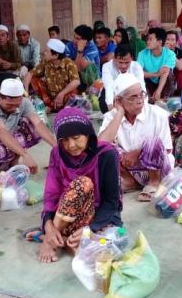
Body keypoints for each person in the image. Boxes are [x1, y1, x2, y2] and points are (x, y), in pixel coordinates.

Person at [34, 107, 123, 263]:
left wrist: (89, 229)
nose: (71, 145)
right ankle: (52, 239)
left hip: (98, 217)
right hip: (65, 217)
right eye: (64, 140)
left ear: (88, 134)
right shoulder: (57, 153)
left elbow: (111, 202)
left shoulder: (106, 154)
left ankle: (61, 239)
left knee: (110, 246)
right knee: (82, 184)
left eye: (76, 137)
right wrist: (48, 225)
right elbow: (51, 195)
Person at [0, 78, 56, 187]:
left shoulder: (24, 103)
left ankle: (12, 165)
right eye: (9, 105)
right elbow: (1, 131)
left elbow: (38, 124)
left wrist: (57, 148)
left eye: (17, 105)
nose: (13, 108)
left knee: (31, 122)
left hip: (7, 147)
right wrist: (25, 154)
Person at [99, 73, 174, 201]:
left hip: (158, 170)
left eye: (141, 95)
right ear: (119, 100)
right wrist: (119, 114)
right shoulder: (111, 117)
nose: (140, 100)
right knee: (106, 149)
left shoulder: (158, 114)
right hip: (130, 170)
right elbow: (100, 144)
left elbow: (167, 149)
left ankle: (153, 183)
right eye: (133, 97)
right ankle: (130, 182)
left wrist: (136, 153)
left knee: (152, 142)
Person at [25, 38, 80, 112]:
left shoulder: (69, 64)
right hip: (49, 98)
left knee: (73, 91)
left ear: (55, 55)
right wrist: (26, 94)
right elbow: (30, 74)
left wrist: (61, 94)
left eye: (47, 51)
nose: (44, 53)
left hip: (64, 97)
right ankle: (50, 106)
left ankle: (59, 109)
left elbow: (76, 81)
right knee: (34, 80)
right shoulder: (46, 62)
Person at [101, 45, 146, 111]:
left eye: (127, 62)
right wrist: (110, 107)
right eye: (120, 62)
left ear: (131, 59)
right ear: (114, 59)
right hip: (114, 93)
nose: (123, 66)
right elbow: (109, 86)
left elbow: (141, 86)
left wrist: (143, 106)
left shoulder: (137, 66)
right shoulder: (107, 67)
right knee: (104, 103)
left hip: (131, 92)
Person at [138, 27, 177, 103]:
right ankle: (147, 100)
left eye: (150, 39)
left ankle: (165, 100)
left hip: (162, 83)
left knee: (169, 75)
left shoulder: (170, 54)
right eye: (147, 39)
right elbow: (139, 72)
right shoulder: (142, 54)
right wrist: (155, 74)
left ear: (159, 42)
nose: (147, 42)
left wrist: (158, 91)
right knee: (139, 78)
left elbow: (165, 73)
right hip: (148, 82)